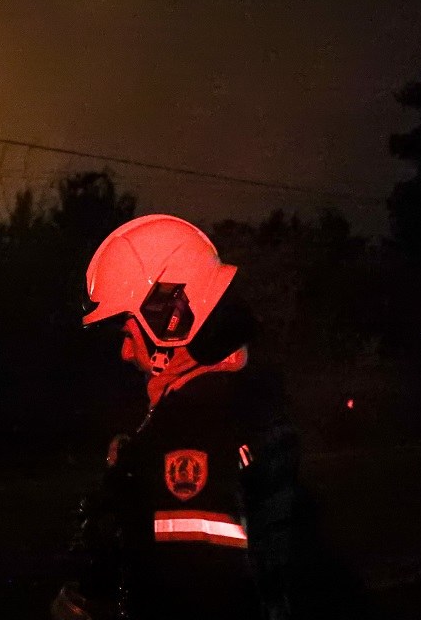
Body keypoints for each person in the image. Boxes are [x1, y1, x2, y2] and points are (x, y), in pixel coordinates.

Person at [52, 214, 298, 620]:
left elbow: (193, 596)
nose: (126, 354)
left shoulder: (193, 431)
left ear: (169, 317)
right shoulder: (242, 400)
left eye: (129, 335)